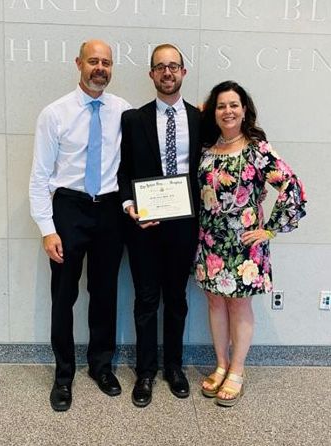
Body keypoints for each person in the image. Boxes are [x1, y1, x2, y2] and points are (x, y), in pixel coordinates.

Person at [29, 39, 131, 412]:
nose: (100, 68)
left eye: (106, 62)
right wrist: (47, 228)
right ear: (78, 64)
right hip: (68, 210)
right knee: (64, 296)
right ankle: (63, 375)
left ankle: (101, 367)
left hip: (108, 211)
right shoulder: (54, 114)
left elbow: (140, 154)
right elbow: (40, 177)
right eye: (93, 61)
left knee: (105, 293)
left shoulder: (123, 111)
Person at [194, 80, 307, 407]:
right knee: (215, 302)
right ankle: (221, 364)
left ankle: (238, 371)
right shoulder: (207, 148)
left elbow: (292, 187)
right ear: (213, 113)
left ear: (244, 110)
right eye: (221, 106)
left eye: (233, 105)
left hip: (244, 244)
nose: (227, 111)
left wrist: (269, 229)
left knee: (239, 305)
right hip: (210, 241)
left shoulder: (258, 149)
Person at [118, 44, 201, 407]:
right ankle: (146, 372)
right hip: (145, 225)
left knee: (178, 298)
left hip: (184, 224)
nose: (167, 73)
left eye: (173, 66)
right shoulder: (133, 119)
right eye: (160, 67)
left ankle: (174, 367)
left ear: (183, 72)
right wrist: (129, 205)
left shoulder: (202, 119)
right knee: (147, 299)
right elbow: (122, 172)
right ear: (151, 74)